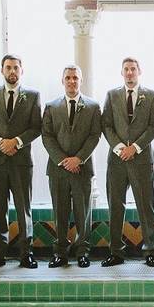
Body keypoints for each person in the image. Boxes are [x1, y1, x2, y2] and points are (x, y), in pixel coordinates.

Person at [0, 54, 42, 269]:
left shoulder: (32, 95)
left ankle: (27, 253)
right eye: (8, 67)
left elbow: (36, 127)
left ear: (22, 70)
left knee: (24, 208)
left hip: (21, 160)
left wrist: (17, 142)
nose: (12, 71)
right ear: (2, 70)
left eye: (16, 67)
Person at [101, 57, 154, 267]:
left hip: (141, 159)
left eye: (133, 69)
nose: (129, 73)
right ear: (121, 72)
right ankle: (116, 252)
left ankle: (150, 251)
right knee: (115, 205)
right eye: (126, 69)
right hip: (116, 161)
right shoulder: (112, 95)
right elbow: (106, 125)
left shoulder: (152, 96)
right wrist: (119, 148)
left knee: (146, 206)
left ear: (139, 71)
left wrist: (134, 148)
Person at [40, 65, 102, 268]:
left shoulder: (93, 106)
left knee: (83, 211)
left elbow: (95, 135)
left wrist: (79, 159)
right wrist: (63, 160)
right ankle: (60, 252)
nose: (72, 81)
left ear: (81, 80)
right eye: (68, 77)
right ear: (62, 80)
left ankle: (83, 251)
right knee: (60, 211)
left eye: (75, 77)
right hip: (58, 169)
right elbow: (47, 136)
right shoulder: (51, 106)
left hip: (82, 169)